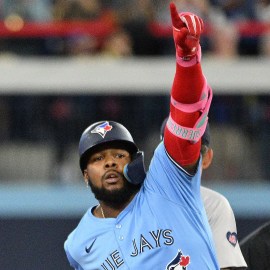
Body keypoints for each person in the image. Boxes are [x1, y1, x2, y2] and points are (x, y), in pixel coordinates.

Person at [64, 3, 220, 269]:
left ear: (135, 161)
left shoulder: (168, 183)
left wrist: (187, 58)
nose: (110, 162)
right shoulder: (78, 245)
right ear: (85, 175)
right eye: (99, 158)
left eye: (118, 154)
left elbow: (187, 112)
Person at [160, 118, 247, 270]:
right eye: (174, 151)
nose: (181, 160)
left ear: (206, 158)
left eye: (190, 152)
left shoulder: (213, 205)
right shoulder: (134, 201)